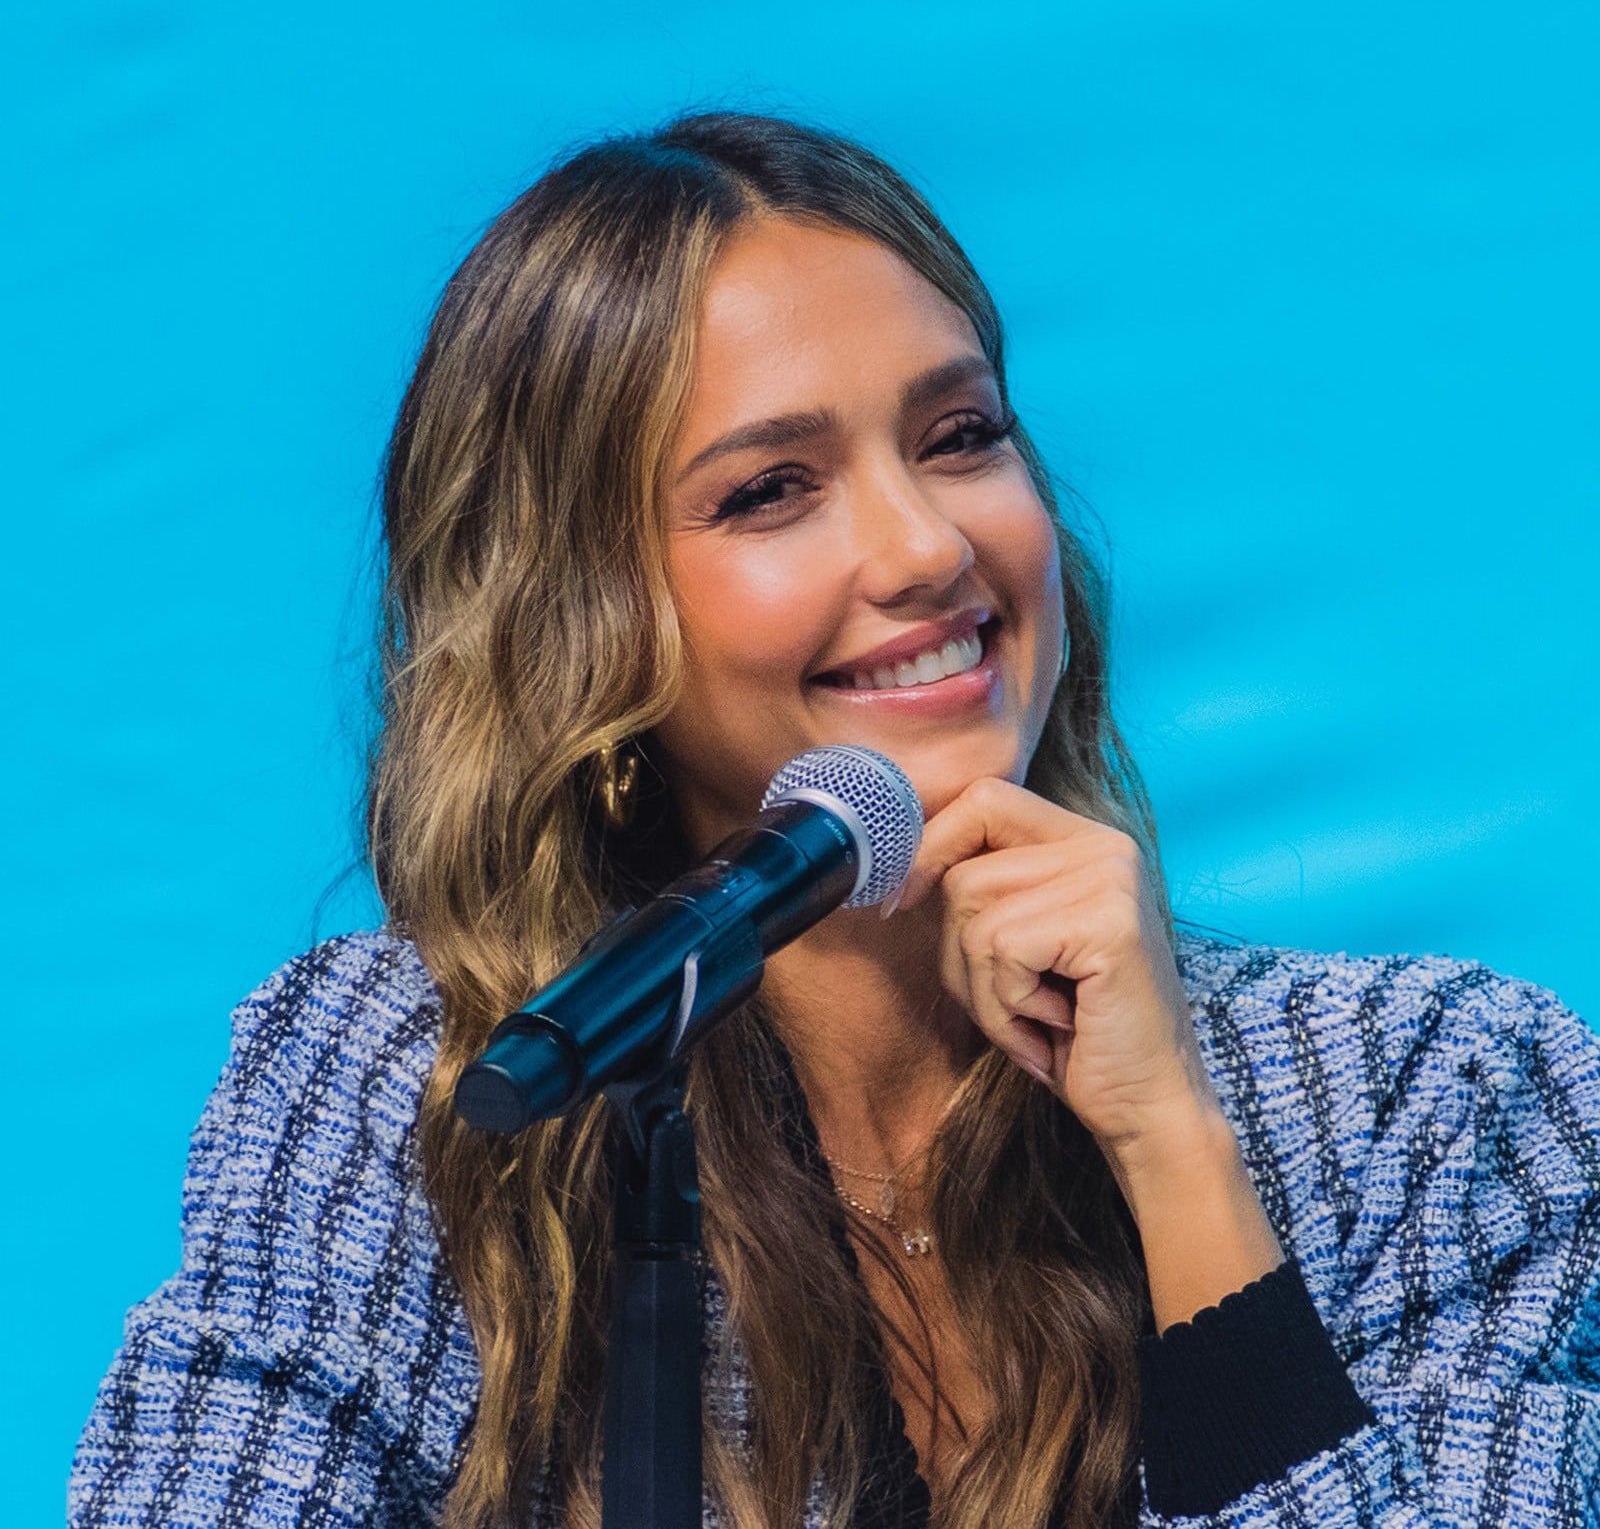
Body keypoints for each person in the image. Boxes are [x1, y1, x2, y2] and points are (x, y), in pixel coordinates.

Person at [69, 111, 1600, 1529]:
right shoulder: (433, 1080)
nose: (926, 546)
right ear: (582, 616)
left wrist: (1176, 1152)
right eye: (773, 490)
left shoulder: (1434, 1095)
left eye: (961, 435)